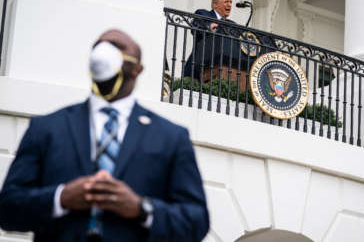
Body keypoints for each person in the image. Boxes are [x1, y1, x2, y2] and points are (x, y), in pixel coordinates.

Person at [0, 29, 209, 242]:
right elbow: (7, 210)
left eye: (117, 47)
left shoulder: (171, 138)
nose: (106, 49)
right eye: (100, 45)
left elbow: (197, 221)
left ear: (137, 69)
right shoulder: (46, 128)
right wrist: (61, 198)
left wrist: (141, 208)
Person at [184, 0, 236, 79]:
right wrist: (208, 27)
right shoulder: (203, 13)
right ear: (215, 4)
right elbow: (195, 28)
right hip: (199, 64)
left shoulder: (232, 24)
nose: (229, 5)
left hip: (222, 68)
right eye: (226, 2)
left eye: (231, 2)